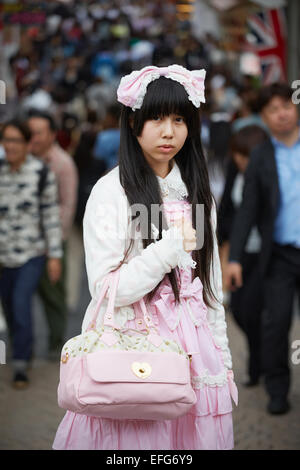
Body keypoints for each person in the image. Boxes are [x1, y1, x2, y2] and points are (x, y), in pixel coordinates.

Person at [53, 65, 238, 450]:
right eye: (156, 119)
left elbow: (210, 289)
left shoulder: (197, 194)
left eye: (179, 120)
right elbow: (107, 290)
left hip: (197, 349)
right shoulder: (111, 192)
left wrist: (223, 358)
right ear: (133, 123)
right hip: (133, 345)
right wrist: (168, 250)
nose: (169, 132)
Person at [225, 83, 300, 415]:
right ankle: (277, 389)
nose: (282, 112)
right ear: (264, 117)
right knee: (276, 323)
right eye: (273, 109)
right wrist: (236, 257)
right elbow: (248, 209)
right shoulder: (261, 155)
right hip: (280, 255)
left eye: (287, 105)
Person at [0, 119, 62, 388]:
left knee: (21, 304)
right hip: (3, 257)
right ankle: (21, 347)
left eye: (16, 140)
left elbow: (51, 216)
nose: (10, 146)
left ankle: (21, 364)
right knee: (10, 310)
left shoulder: (41, 173)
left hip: (31, 255)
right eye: (6, 140)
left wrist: (55, 255)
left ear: (27, 144)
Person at [218, 125, 269, 387]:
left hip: (266, 253)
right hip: (240, 252)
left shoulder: (269, 175)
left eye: (245, 155)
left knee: (255, 310)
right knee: (238, 309)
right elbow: (226, 207)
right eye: (237, 154)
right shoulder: (234, 172)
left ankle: (259, 365)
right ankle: (260, 354)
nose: (240, 160)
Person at [27, 110, 78, 360]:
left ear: (51, 135)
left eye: (38, 133)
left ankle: (56, 345)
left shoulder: (62, 164)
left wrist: (52, 247)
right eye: (30, 132)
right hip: (21, 245)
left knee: (54, 297)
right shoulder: (19, 158)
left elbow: (67, 208)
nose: (33, 138)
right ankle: (21, 350)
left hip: (51, 245)